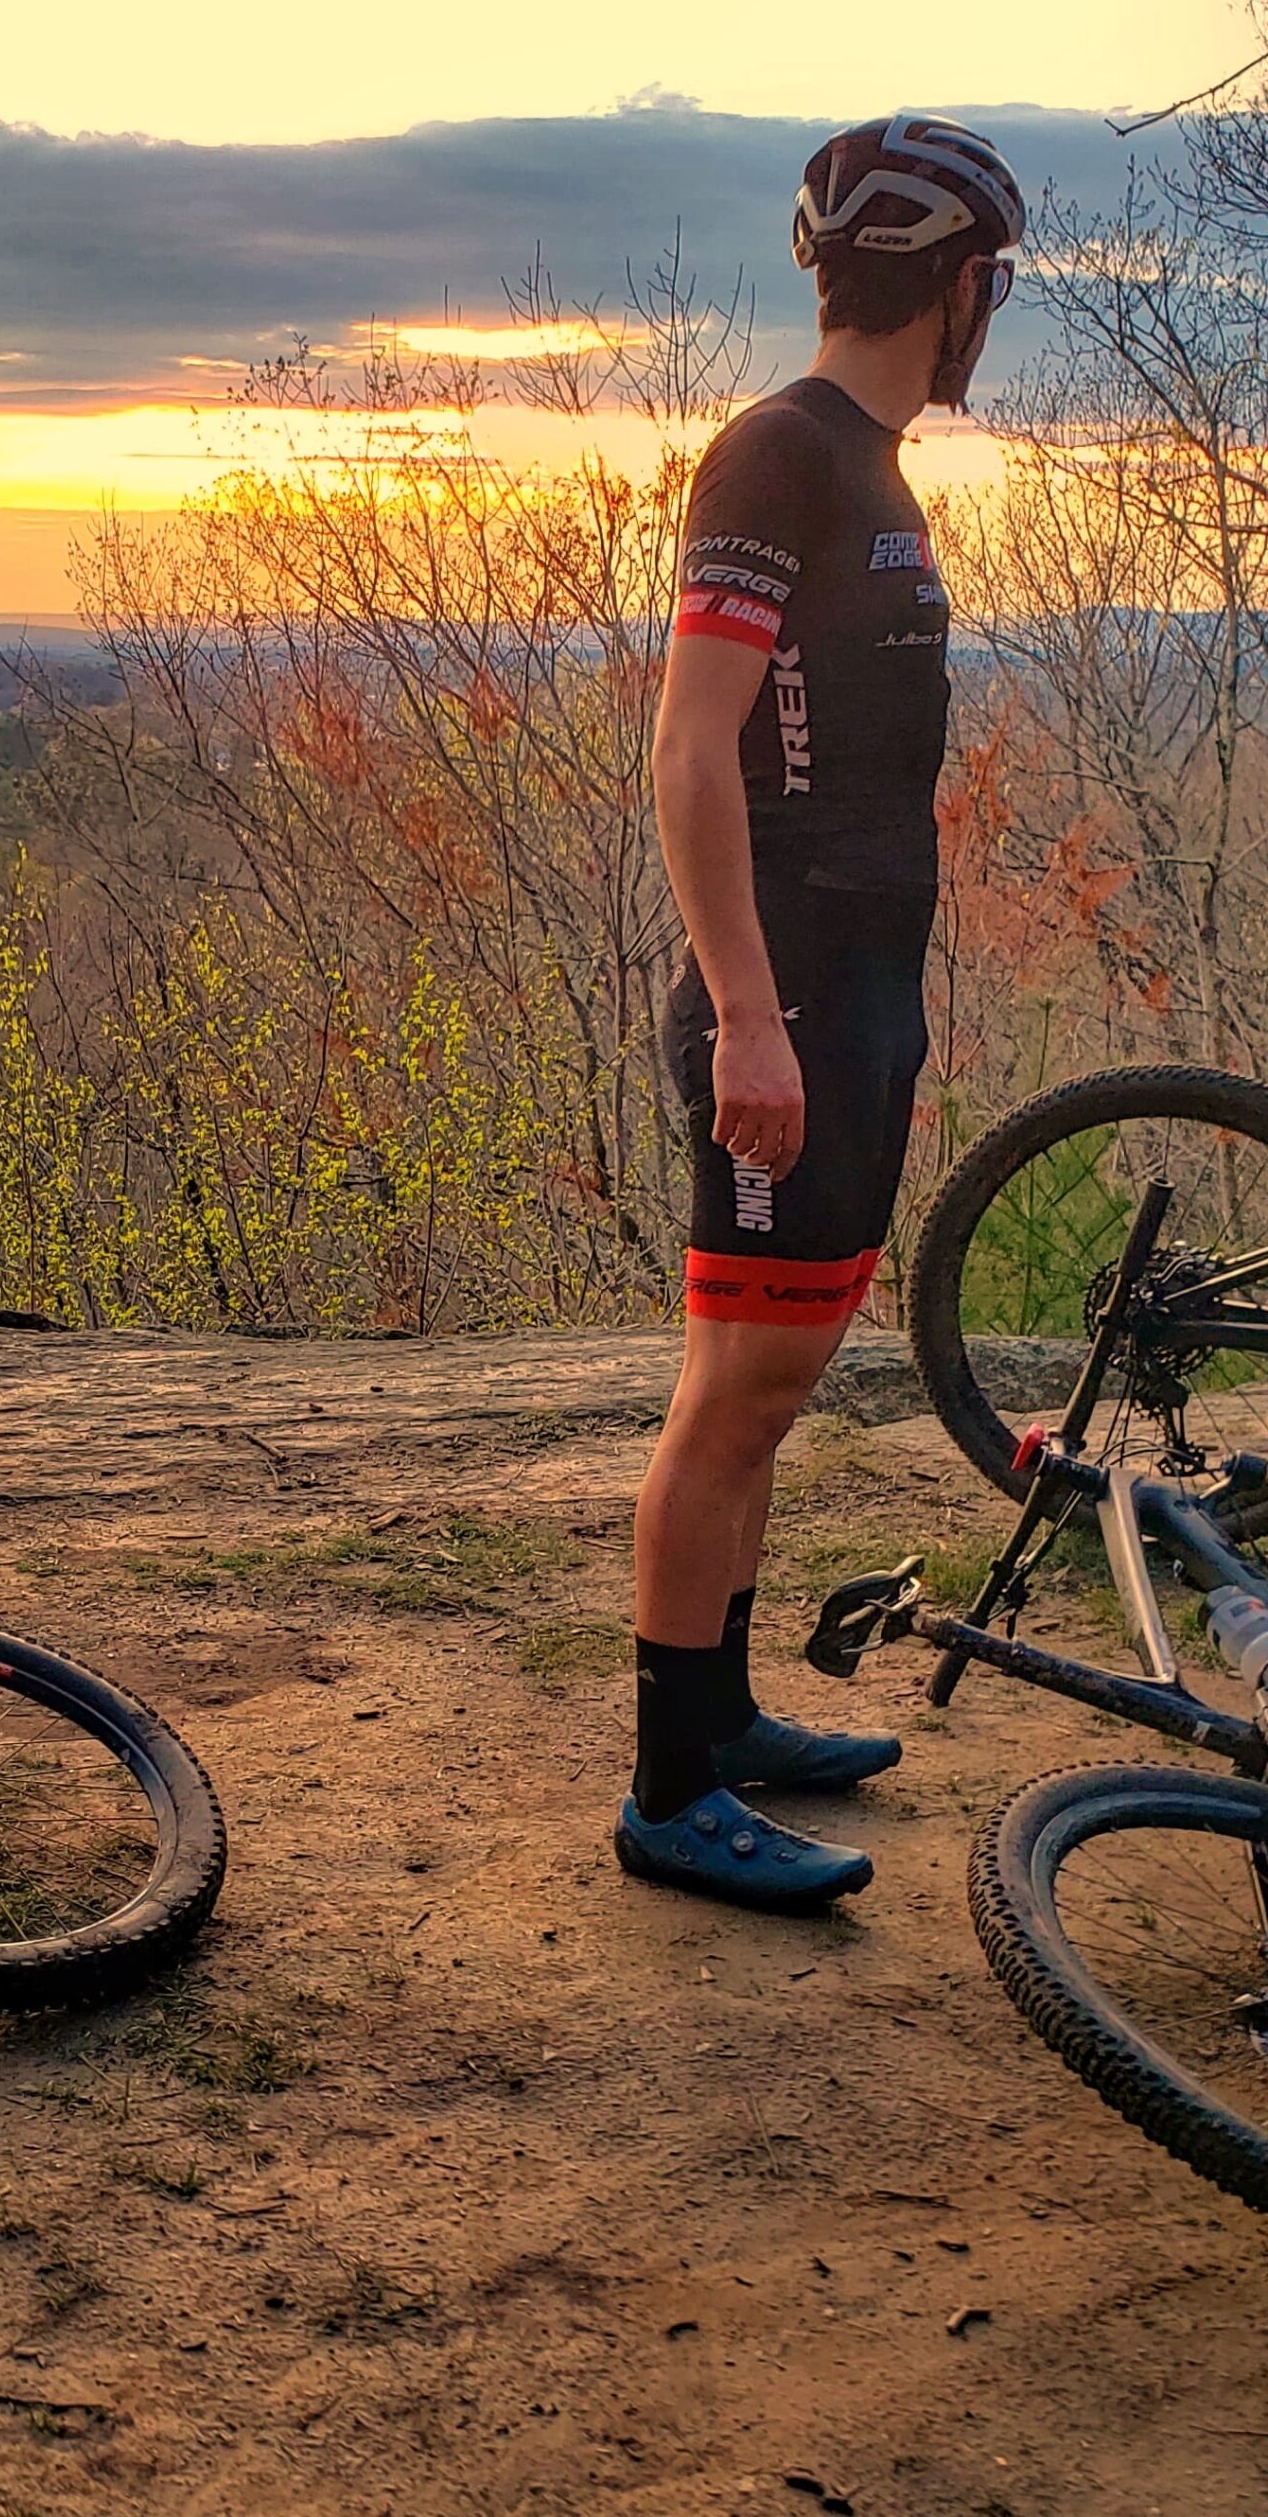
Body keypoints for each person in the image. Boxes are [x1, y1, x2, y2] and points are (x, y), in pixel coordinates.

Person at [615, 112, 1026, 1912]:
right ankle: (668, 1789)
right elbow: (690, 748)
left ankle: (722, 1719)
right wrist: (749, 1017)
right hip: (781, 991)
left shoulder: (870, 465)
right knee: (735, 1394)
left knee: (768, 1391)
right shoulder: (780, 453)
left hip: (853, 990)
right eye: (988, 280)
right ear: (956, 284)